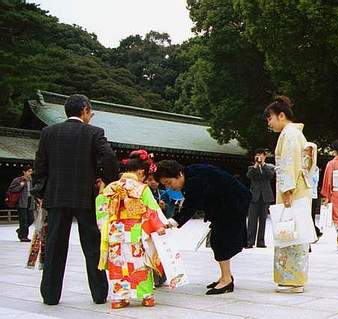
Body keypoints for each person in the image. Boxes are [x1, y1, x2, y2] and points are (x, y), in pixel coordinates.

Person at [31, 94, 119, 306]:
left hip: (57, 196)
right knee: (92, 247)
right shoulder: (94, 133)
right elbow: (108, 157)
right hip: (85, 196)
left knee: (54, 246)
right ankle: (99, 295)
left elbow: (40, 164)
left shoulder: (48, 132)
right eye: (91, 112)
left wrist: (40, 192)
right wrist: (106, 180)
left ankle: (50, 296)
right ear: (85, 110)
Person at [155, 160, 250, 295]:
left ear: (179, 174)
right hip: (227, 203)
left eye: (169, 183)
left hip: (234, 203)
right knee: (219, 240)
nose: (170, 188)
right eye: (165, 185)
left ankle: (227, 280)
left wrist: (172, 222)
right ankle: (225, 276)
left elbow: (191, 206)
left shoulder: (195, 179)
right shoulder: (192, 173)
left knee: (220, 240)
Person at [96, 150, 167, 309]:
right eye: (145, 176)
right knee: (139, 263)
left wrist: (104, 226)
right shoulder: (142, 188)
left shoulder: (111, 187)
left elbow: (100, 205)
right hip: (135, 232)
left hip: (115, 233)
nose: (145, 179)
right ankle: (146, 296)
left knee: (118, 264)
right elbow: (151, 209)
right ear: (140, 172)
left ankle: (119, 298)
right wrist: (159, 226)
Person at [264, 95, 316, 293]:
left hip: (293, 190)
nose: (269, 123)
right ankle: (292, 278)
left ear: (281, 115)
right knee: (292, 231)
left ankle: (294, 280)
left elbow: (289, 163)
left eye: (270, 118)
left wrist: (287, 190)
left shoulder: (290, 134)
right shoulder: (292, 133)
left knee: (292, 232)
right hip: (297, 187)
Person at [246, 148, 275, 248]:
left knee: (263, 220)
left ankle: (261, 241)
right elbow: (249, 176)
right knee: (252, 220)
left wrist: (262, 164)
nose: (259, 157)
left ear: (264, 156)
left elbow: (271, 176)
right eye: (257, 155)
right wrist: (256, 165)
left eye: (261, 155)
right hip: (254, 197)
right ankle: (250, 241)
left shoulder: (269, 167)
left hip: (265, 197)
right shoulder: (251, 168)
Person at [8, 165, 34, 242]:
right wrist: (20, 185)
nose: (30, 173)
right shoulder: (18, 180)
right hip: (21, 202)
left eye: (31, 171)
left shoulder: (32, 180)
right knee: (24, 221)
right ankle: (23, 236)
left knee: (31, 219)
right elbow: (11, 189)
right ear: (24, 172)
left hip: (30, 202)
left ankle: (20, 230)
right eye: (29, 171)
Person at [304, 142, 323, 241]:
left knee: (310, 216)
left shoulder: (314, 168)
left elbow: (312, 180)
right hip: (304, 194)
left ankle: (314, 233)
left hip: (312, 194)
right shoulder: (302, 163)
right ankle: (315, 232)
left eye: (308, 151)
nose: (306, 153)